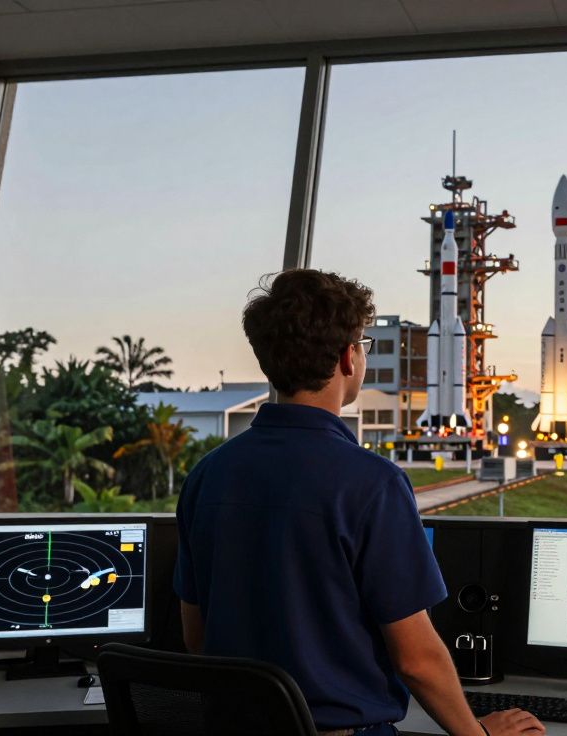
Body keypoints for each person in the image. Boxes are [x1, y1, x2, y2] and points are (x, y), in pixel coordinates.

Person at [174, 269, 544, 736]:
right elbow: (416, 660)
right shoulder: (373, 484)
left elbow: (196, 637)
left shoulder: (207, 476)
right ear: (349, 357)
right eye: (364, 344)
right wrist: (479, 734)